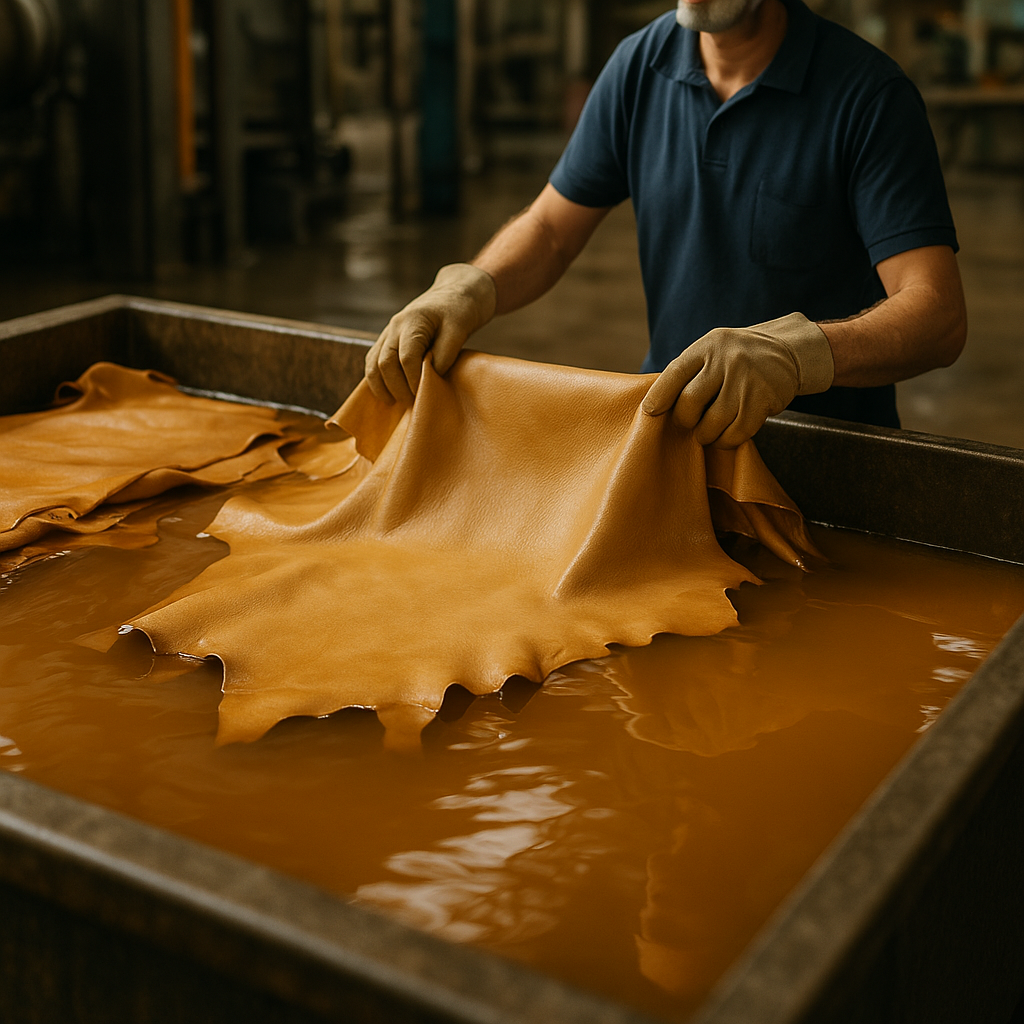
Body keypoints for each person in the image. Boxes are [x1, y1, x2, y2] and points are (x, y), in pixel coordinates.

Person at [363, 0, 967, 449]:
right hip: (673, 440)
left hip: (831, 461)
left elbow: (936, 315)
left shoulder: (869, 98)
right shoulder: (637, 68)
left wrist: (796, 355)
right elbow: (550, 229)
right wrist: (470, 287)